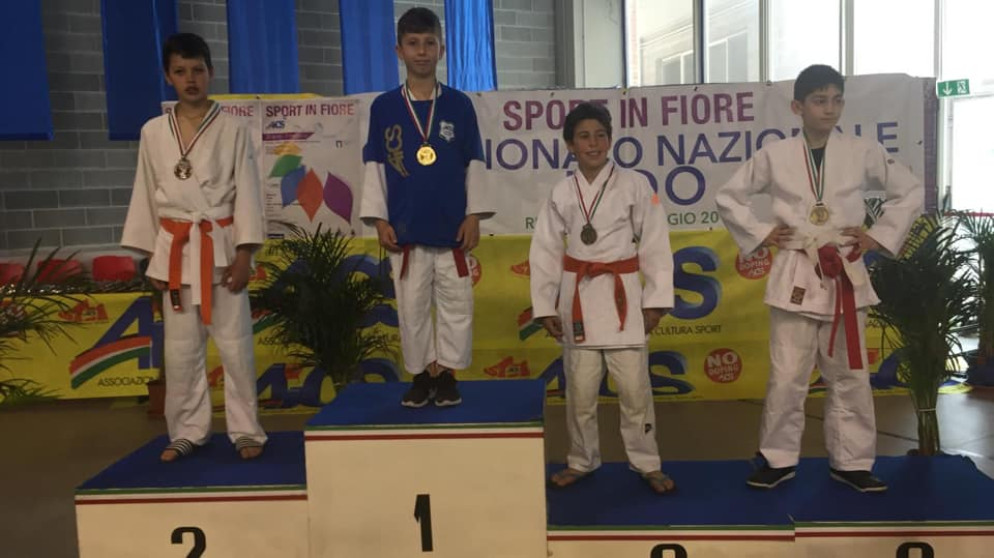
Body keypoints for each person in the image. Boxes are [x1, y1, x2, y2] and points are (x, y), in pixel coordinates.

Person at [715, 64, 923, 492]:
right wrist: (762, 232)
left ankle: (852, 462)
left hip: (845, 270)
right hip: (796, 268)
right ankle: (777, 459)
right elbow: (728, 196)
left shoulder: (862, 150)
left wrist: (878, 235)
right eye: (819, 100)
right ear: (798, 107)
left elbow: (910, 190)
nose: (830, 109)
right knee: (787, 374)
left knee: (850, 374)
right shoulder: (774, 155)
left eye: (836, 100)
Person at [121, 33, 267, 462]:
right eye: (181, 71)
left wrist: (245, 254)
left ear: (210, 73)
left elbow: (248, 194)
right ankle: (187, 430)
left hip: (221, 248)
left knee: (236, 347)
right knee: (181, 350)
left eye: (198, 70)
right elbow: (145, 192)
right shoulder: (152, 132)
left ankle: (246, 430)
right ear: (168, 76)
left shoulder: (233, 129)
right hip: (176, 251)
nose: (190, 79)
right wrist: (152, 255)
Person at [529, 102, 676, 494]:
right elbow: (545, 250)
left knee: (634, 391)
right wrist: (544, 305)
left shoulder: (636, 184)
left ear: (610, 140)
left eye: (600, 135)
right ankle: (581, 459)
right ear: (570, 145)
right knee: (579, 392)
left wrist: (655, 301)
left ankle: (646, 461)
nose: (593, 143)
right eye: (584, 136)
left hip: (622, 297)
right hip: (578, 297)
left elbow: (655, 243)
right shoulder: (562, 191)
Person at [359, 7, 493, 408]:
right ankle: (420, 376)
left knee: (456, 305)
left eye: (429, 43)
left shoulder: (459, 105)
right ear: (398, 50)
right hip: (406, 228)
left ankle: (448, 375)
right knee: (412, 307)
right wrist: (379, 219)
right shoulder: (384, 107)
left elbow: (475, 161)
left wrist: (474, 215)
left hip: (452, 228)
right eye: (413, 43)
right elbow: (374, 164)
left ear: (442, 49)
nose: (421, 51)